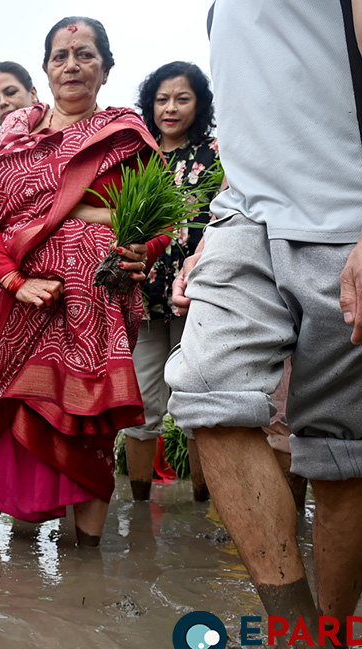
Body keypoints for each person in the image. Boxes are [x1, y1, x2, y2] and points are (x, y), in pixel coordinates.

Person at [167, 0, 362, 649]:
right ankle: (300, 644)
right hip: (245, 219)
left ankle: (333, 643)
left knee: (336, 457)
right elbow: (249, 118)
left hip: (349, 218)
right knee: (205, 394)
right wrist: (208, 241)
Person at [0, 17, 163, 545]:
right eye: (60, 56)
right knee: (14, 409)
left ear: (106, 67)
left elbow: (162, 218)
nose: (71, 65)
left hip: (98, 303)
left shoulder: (126, 134)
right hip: (26, 300)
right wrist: (10, 280)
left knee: (90, 421)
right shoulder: (15, 136)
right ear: (46, 69)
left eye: (85, 54)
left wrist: (142, 249)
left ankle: (86, 565)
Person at [121, 61, 218, 503]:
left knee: (198, 404)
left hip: (197, 296)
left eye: (182, 98)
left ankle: (203, 503)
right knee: (141, 406)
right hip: (141, 294)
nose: (171, 108)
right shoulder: (137, 156)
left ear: (199, 103)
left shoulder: (216, 155)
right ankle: (140, 509)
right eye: (162, 99)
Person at [0, 61, 38, 127]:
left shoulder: (53, 130)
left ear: (32, 93)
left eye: (11, 92)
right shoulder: (0, 137)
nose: (2, 102)